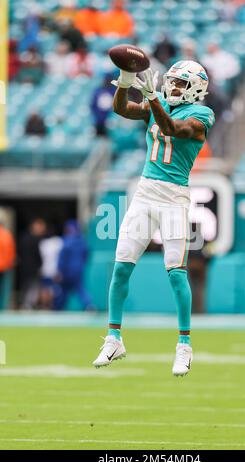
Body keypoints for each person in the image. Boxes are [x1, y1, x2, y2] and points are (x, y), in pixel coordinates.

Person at [93, 60, 215, 376]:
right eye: (170, 82)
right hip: (145, 191)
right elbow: (121, 109)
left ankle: (184, 345)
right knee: (121, 266)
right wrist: (125, 79)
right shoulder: (156, 105)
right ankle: (114, 337)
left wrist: (151, 97)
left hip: (174, 197)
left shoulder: (201, 116)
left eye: (180, 84)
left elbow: (172, 129)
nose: (172, 87)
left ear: (196, 89)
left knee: (175, 272)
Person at [54, 220, 93, 311]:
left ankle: (58, 308)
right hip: (78, 270)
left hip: (67, 271)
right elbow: (86, 255)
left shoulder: (67, 242)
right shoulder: (82, 241)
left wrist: (59, 271)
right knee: (79, 289)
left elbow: (62, 258)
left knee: (64, 290)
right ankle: (89, 305)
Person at [19, 219, 46, 309]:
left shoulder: (24, 238)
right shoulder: (35, 240)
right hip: (32, 267)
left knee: (26, 285)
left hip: (24, 266)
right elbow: (38, 255)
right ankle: (28, 304)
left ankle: (26, 303)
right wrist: (41, 264)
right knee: (32, 285)